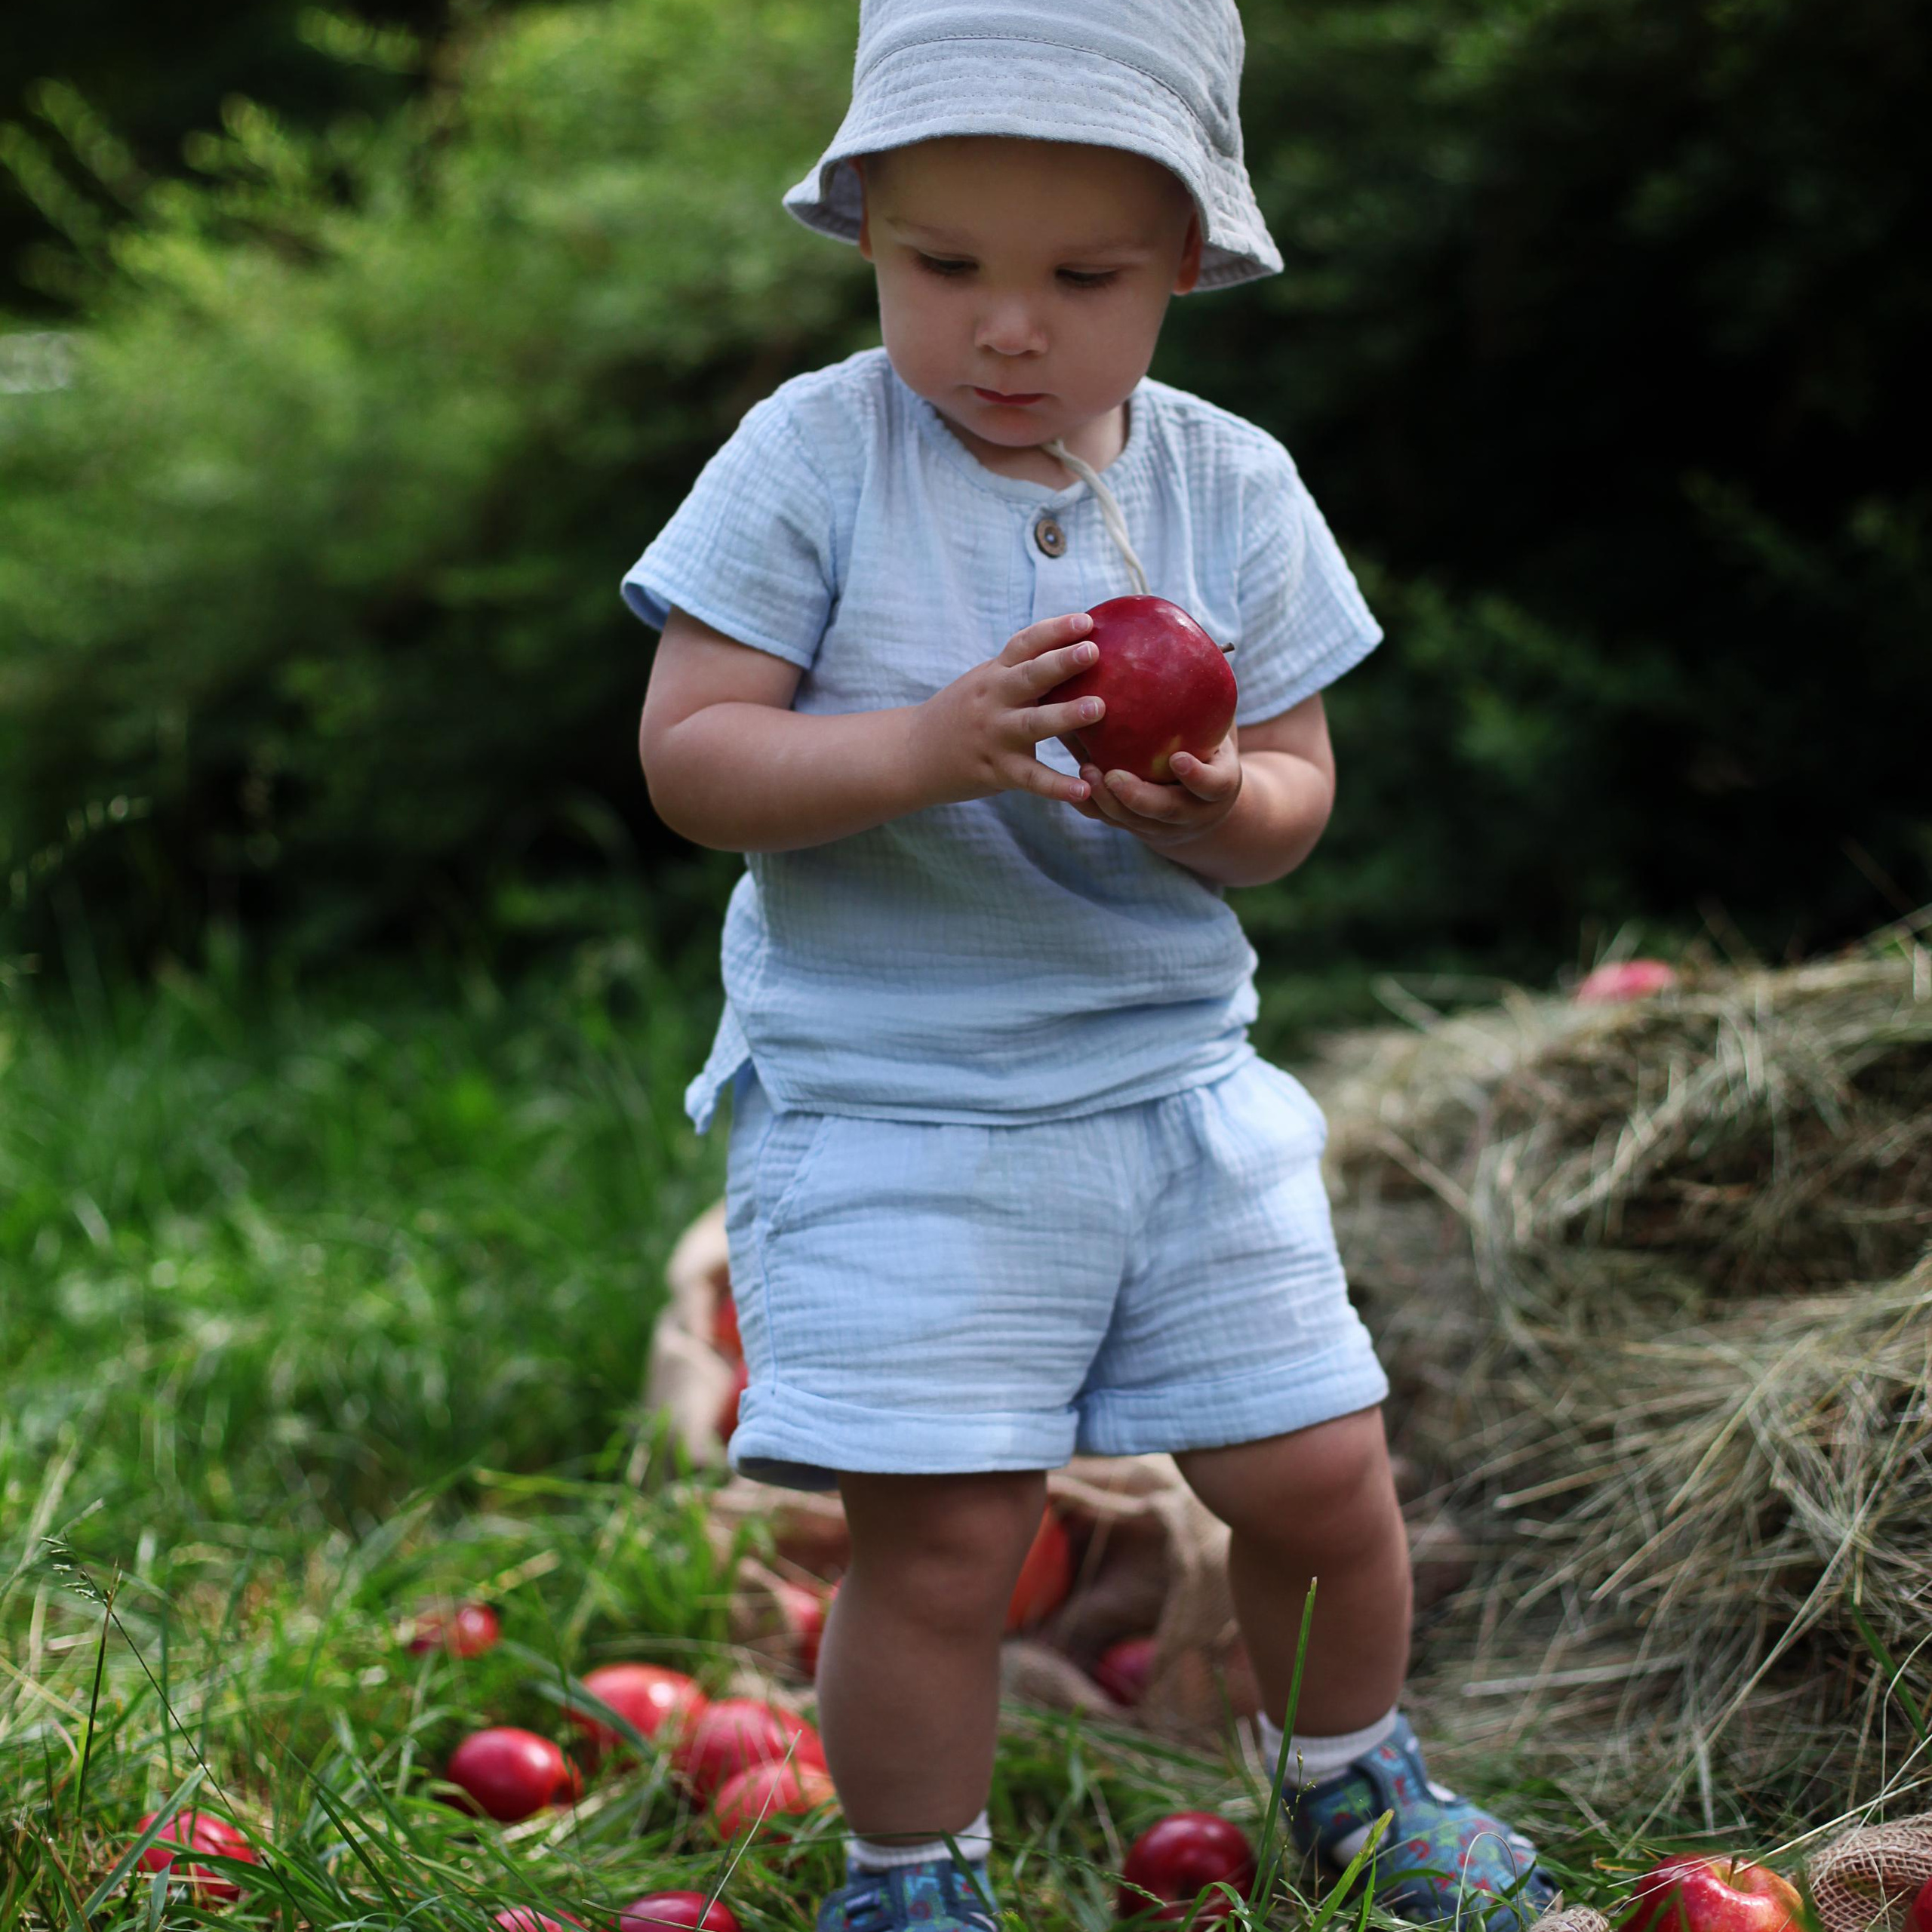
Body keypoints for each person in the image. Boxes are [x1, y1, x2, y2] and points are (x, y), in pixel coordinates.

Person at [626, 4, 1559, 1927]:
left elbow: (1295, 790)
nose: (1005, 330)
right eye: (940, 266)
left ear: (1184, 263)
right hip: (896, 1107)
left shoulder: (1228, 487)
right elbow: (694, 757)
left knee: (1318, 1470)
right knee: (945, 1536)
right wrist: (924, 744)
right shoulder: (814, 455)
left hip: (1168, 1091)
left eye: (1080, 279)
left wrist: (1214, 807)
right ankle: (910, 1872)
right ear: (865, 233)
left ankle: (1351, 1775)